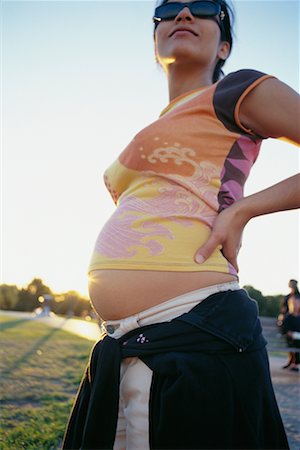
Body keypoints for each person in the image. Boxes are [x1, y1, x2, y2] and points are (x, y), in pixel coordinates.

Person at [63, 1, 300, 449]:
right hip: (125, 342)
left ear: (224, 44)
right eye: (169, 8)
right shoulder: (155, 125)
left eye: (205, 8)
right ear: (156, 41)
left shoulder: (236, 91)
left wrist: (242, 210)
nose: (185, 13)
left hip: (197, 330)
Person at [281, 279, 300, 371]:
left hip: (297, 322)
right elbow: (283, 309)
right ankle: (292, 362)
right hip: (290, 322)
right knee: (292, 339)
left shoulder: (298, 296)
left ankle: (294, 363)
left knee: (297, 340)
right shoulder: (287, 297)